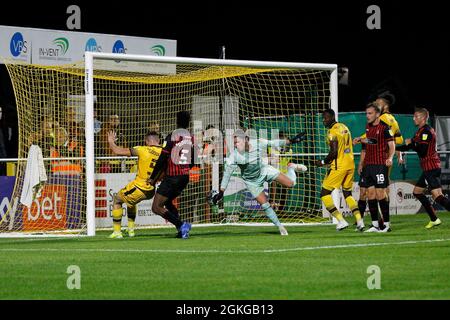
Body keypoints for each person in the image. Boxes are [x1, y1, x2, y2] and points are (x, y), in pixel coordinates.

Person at [210, 129, 308, 236]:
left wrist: (290, 141)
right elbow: (227, 174)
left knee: (291, 184)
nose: (235, 145)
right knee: (265, 205)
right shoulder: (234, 156)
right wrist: (221, 191)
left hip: (264, 170)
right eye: (234, 143)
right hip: (252, 182)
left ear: (246, 140)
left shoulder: (257, 143)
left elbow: (273, 143)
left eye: (237, 142)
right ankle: (280, 227)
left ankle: (291, 168)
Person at [396, 107, 450, 228]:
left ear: (423, 118)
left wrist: (412, 143)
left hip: (431, 168)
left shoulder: (426, 131)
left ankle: (434, 219)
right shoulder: (420, 131)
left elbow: (422, 149)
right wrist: (394, 148)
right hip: (428, 168)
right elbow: (410, 146)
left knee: (437, 196)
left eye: (416, 116)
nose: (413, 118)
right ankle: (434, 219)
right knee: (417, 192)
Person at [107, 130, 162, 238]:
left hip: (140, 187)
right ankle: (131, 231)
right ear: (158, 140)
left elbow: (117, 151)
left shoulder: (142, 149)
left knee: (117, 199)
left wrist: (111, 141)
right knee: (131, 202)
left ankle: (117, 232)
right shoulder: (164, 152)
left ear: (146, 141)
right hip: (151, 189)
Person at [315, 109, 365, 231]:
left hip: (339, 166)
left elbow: (333, 152)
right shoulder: (344, 127)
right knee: (348, 193)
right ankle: (360, 221)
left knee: (324, 194)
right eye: (323, 118)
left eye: (325, 118)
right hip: (350, 164)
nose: (324, 120)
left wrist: (322, 162)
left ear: (332, 117)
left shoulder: (332, 132)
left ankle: (341, 221)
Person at [358, 94, 404, 223]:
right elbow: (399, 138)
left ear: (384, 106)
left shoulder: (383, 119)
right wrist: (397, 153)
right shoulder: (393, 119)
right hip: (373, 161)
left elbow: (387, 139)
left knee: (379, 192)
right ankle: (377, 222)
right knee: (378, 191)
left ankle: (383, 221)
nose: (376, 104)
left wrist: (359, 139)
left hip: (380, 161)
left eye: (378, 103)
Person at [147, 111, 193, 239]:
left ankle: (182, 224)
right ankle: (181, 230)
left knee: (156, 207)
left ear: (177, 121)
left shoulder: (172, 136)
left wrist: (153, 177)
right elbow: (193, 159)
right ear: (188, 122)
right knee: (168, 203)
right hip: (184, 177)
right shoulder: (190, 137)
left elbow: (162, 158)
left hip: (173, 177)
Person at [354, 102, 395, 232]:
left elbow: (392, 145)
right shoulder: (368, 127)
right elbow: (371, 142)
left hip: (379, 165)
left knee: (380, 194)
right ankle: (375, 224)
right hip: (368, 165)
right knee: (370, 194)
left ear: (377, 114)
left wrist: (390, 158)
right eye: (366, 113)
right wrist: (361, 141)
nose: (367, 116)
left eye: (370, 113)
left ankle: (386, 225)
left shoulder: (385, 128)